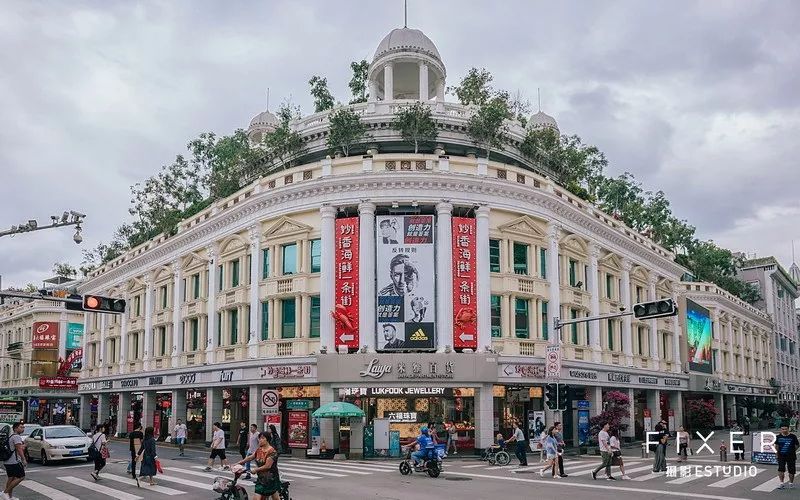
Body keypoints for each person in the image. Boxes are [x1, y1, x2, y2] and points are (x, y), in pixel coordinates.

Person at [237, 431, 281, 500]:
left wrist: (256, 470)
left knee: (273, 496)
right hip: (261, 478)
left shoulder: (272, 451)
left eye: (262, 438)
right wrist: (239, 463)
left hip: (271, 478)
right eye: (259, 438)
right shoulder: (259, 450)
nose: (260, 440)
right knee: (266, 496)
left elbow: (267, 466)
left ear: (268, 440)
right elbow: (251, 457)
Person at [3, 421, 27, 500]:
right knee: (21, 476)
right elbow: (19, 449)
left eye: (23, 427)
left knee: (11, 478)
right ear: (16, 428)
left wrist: (22, 446)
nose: (23, 429)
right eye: (21, 427)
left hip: (8, 461)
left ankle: (9, 497)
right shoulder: (16, 437)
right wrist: (23, 459)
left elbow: (16, 448)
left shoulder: (11, 436)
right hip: (14, 461)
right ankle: (5, 492)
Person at [774, 422, 799, 490]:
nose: (784, 430)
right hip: (781, 456)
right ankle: (781, 483)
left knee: (791, 470)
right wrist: (777, 454)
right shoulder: (778, 437)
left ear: (788, 429)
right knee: (781, 469)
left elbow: (797, 445)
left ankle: (791, 483)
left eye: (786, 429)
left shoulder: (793, 436)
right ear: (780, 429)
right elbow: (776, 446)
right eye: (783, 429)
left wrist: (792, 451)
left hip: (791, 456)